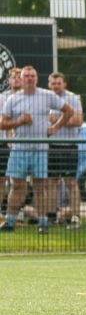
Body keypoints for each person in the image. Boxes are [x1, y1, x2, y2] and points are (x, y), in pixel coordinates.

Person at [0, 66, 73, 234]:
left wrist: (54, 128)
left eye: (32, 76)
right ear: (22, 79)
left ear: (37, 78)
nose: (29, 79)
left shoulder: (47, 95)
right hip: (19, 149)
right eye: (26, 76)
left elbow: (68, 111)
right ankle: (10, 221)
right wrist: (19, 121)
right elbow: (3, 123)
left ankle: (42, 222)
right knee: (17, 186)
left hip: (40, 149)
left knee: (40, 186)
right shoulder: (13, 99)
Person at [47, 72, 83, 230]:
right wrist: (66, 119)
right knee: (51, 182)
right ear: (49, 84)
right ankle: (52, 217)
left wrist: (58, 121)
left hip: (69, 145)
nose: (56, 86)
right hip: (52, 145)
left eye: (59, 83)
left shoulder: (73, 98)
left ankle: (75, 217)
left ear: (64, 84)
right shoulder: (45, 98)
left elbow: (78, 121)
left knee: (71, 182)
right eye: (53, 83)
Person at [0, 67, 22, 218]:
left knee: (19, 182)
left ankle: (15, 216)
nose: (16, 79)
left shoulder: (29, 97)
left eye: (19, 77)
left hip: (22, 145)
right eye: (13, 77)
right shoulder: (2, 98)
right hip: (4, 144)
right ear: (8, 80)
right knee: (2, 180)